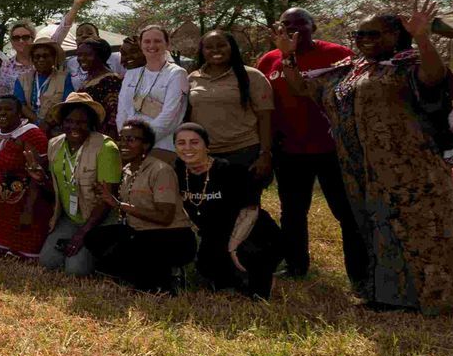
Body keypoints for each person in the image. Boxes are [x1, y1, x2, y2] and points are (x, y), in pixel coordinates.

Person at [273, 1, 453, 314]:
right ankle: (386, 296)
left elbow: (434, 78)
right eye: (359, 34)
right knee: (376, 229)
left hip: (412, 170)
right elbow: (304, 89)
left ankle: (441, 299)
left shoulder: (410, 65)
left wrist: (423, 38)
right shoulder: (350, 70)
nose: (364, 39)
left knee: (421, 230)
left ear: (397, 35)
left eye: (373, 33)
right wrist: (288, 56)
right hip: (364, 171)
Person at [256, 8, 364, 283]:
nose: (292, 28)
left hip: (332, 149)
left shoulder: (338, 54)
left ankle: (360, 274)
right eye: (286, 24)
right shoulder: (268, 60)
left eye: (300, 23)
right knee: (292, 212)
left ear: (313, 27)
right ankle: (296, 266)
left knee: (346, 212)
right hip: (289, 150)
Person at [172, 123, 283, 300]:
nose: (187, 148)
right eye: (181, 143)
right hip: (217, 234)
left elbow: (250, 211)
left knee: (247, 262)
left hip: (250, 232)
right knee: (209, 269)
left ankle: (262, 277)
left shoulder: (229, 170)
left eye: (194, 142)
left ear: (207, 146)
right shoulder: (178, 171)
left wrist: (232, 248)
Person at [84, 120, 196, 293]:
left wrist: (120, 205)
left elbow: (165, 217)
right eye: (121, 139)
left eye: (131, 140)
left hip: (171, 236)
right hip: (139, 232)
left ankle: (167, 278)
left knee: (142, 270)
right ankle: (145, 274)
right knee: (94, 238)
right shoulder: (127, 170)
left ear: (146, 145)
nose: (123, 144)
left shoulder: (161, 170)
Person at [39, 93, 122, 277]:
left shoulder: (106, 148)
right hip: (70, 218)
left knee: (75, 271)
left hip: (99, 221)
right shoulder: (54, 144)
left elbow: (107, 200)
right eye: (69, 121)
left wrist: (82, 233)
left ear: (91, 123)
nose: (74, 127)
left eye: (81, 122)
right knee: (46, 262)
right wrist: (40, 178)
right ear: (62, 123)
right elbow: (55, 187)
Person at [185, 29, 275, 179]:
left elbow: (265, 118)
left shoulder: (252, 76)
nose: (215, 50)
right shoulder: (191, 79)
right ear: (202, 51)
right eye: (209, 47)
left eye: (221, 45)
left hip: (244, 152)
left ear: (232, 47)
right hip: (206, 154)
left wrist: (265, 154)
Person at [0, 94, 53, 261]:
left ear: (19, 113)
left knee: (25, 258)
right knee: (1, 257)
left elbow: (38, 175)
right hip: (2, 210)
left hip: (28, 209)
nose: (2, 113)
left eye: (8, 109)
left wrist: (28, 210)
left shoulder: (32, 135)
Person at [117, 24, 188, 161]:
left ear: (167, 44)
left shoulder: (177, 74)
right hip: (131, 148)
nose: (152, 45)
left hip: (162, 147)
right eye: (147, 41)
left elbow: (169, 117)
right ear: (141, 44)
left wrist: (141, 142)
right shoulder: (131, 74)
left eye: (157, 41)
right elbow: (122, 112)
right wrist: (127, 140)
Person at [14, 39, 74, 132]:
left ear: (54, 58)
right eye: (37, 57)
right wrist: (38, 123)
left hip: (57, 128)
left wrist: (48, 124)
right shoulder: (22, 79)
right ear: (32, 59)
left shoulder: (64, 78)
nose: (41, 59)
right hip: (28, 127)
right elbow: (20, 104)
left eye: (46, 56)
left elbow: (67, 104)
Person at [73, 38, 123, 138]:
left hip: (101, 136)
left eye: (88, 55)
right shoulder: (89, 78)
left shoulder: (110, 80)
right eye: (79, 55)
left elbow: (113, 115)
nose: (82, 58)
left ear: (101, 56)